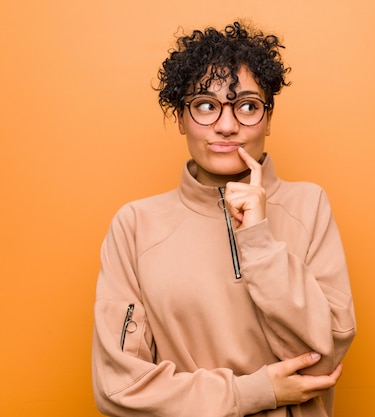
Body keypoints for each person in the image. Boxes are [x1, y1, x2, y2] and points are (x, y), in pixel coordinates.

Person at [91, 21, 356, 417]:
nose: (228, 125)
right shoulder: (135, 226)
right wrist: (254, 391)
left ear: (268, 118)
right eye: (205, 105)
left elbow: (321, 361)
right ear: (180, 118)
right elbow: (119, 387)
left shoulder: (308, 206)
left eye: (247, 106)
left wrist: (259, 240)